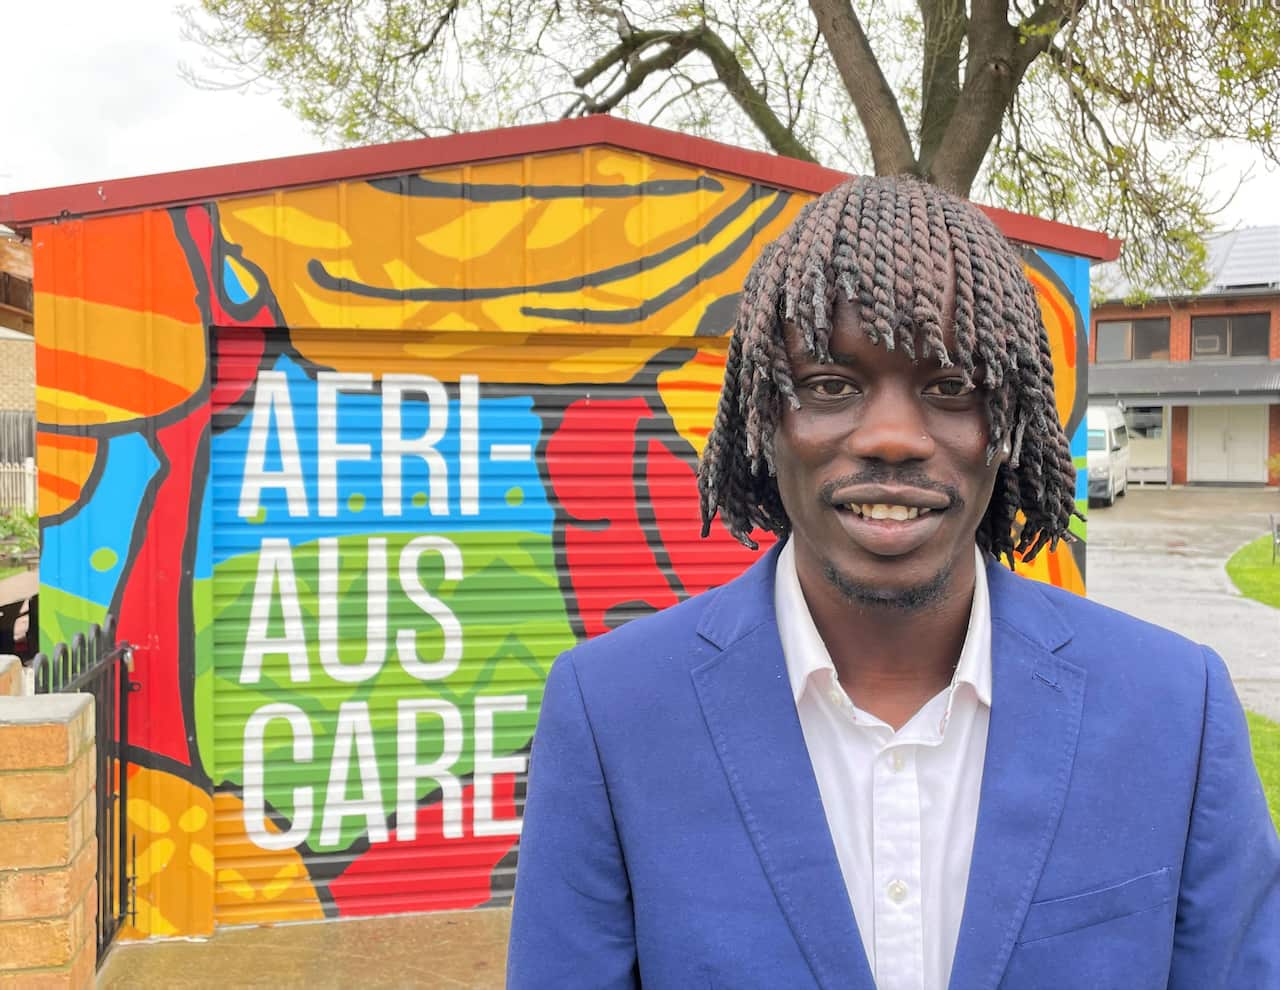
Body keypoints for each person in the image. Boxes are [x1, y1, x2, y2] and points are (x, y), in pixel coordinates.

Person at [506, 176, 1280, 989]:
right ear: (765, 417)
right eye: (831, 386)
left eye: (951, 388)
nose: (892, 439)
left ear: (1007, 425)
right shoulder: (613, 712)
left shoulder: (1174, 709)